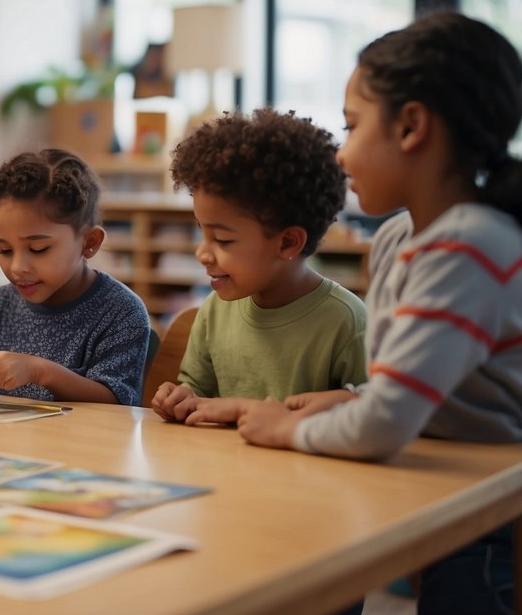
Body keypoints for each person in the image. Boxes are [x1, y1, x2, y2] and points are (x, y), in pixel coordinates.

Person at [237, 12, 522, 615]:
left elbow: (387, 425)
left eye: (351, 125)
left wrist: (286, 428)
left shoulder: (471, 245)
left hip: (503, 517)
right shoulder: (405, 237)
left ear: (411, 126)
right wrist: (353, 400)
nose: (340, 150)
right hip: (457, 489)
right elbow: (417, 391)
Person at [152, 108, 368, 426]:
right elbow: (197, 391)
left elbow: (367, 414)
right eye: (202, 231)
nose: (202, 253)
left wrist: (242, 407)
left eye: (222, 240)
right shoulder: (213, 312)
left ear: (287, 243)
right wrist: (182, 397)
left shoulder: (345, 322)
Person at [0, 148, 150, 404]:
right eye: (5, 249)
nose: (17, 267)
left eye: (38, 249)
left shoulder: (121, 312)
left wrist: (39, 371)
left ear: (89, 242)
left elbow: (116, 404)